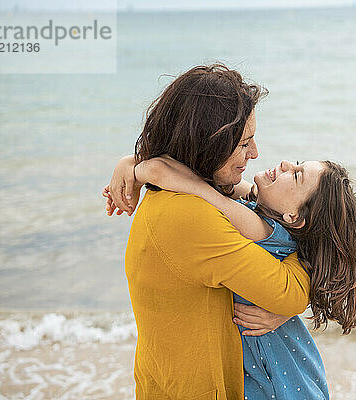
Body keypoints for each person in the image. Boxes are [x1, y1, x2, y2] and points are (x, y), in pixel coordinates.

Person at [105, 64, 312, 399]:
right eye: (245, 143)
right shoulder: (190, 216)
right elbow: (288, 292)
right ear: (207, 144)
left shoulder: (181, 193)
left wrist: (134, 163)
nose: (255, 153)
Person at [105, 155, 356, 399]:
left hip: (277, 376)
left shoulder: (264, 230)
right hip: (271, 363)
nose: (286, 164)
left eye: (296, 175)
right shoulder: (262, 215)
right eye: (297, 163)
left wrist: (144, 172)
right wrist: (129, 164)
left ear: (293, 216)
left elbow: (204, 190)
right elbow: (219, 181)